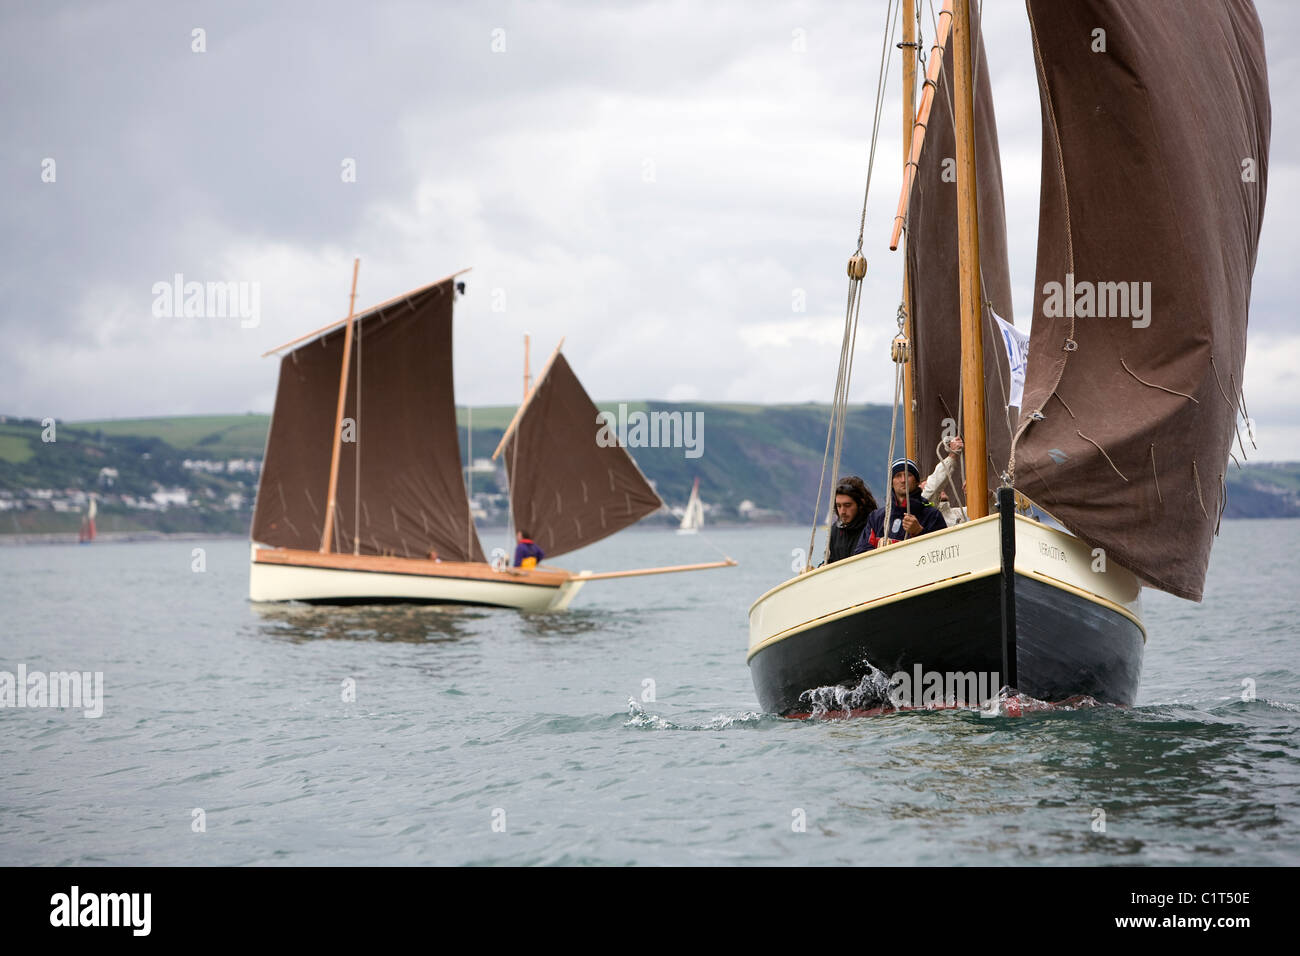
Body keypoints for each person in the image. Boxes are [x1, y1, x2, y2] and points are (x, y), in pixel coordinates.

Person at [854, 458, 946, 552]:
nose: (903, 480)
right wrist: (878, 552)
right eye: (898, 476)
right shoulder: (877, 517)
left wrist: (919, 532)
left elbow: (943, 551)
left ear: (917, 481)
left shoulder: (932, 515)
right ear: (891, 483)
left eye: (908, 475)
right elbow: (861, 552)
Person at [824, 476, 878, 565]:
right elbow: (830, 561)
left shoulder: (872, 527)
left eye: (847, 505)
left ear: (861, 504)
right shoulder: (835, 530)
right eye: (839, 506)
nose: (842, 512)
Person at [922, 435, 967, 526]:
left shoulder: (959, 513)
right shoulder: (926, 516)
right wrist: (952, 455)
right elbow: (933, 487)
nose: (939, 489)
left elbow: (992, 512)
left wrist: (987, 495)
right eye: (926, 487)